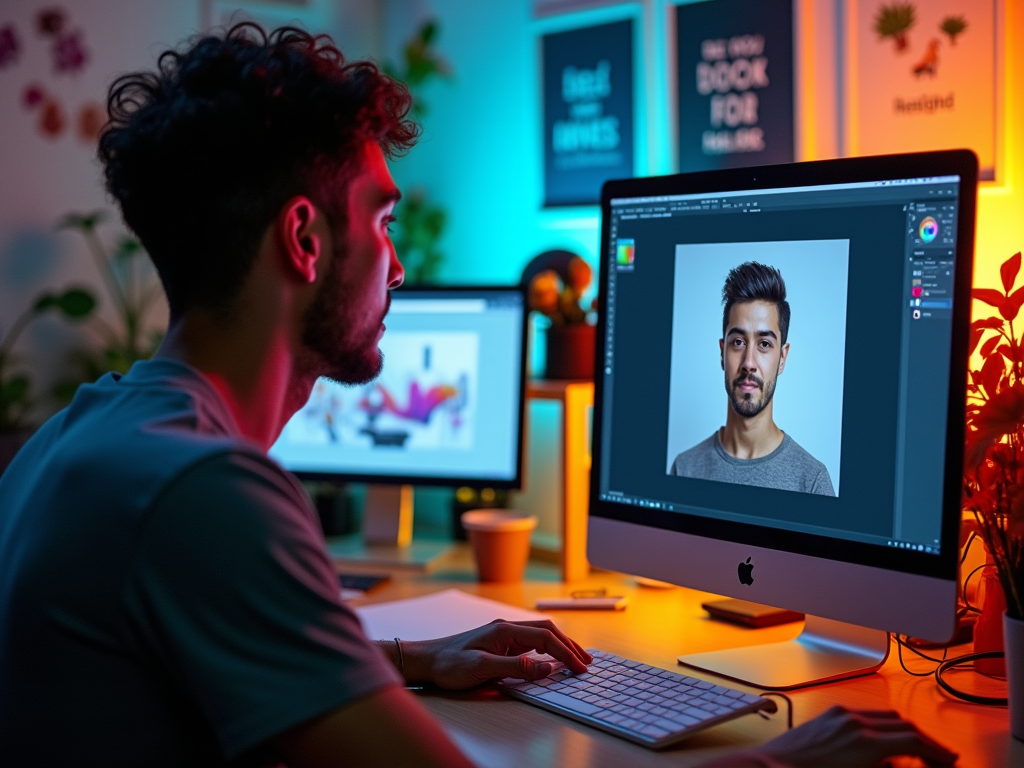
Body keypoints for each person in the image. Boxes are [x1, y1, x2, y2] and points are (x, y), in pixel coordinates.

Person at [0, 25, 954, 768]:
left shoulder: (86, 432)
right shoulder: (204, 493)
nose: (400, 265)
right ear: (303, 239)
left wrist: (413, 659)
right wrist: (779, 762)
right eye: (382, 219)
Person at [671, 262, 836, 497]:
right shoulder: (685, 469)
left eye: (765, 344)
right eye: (738, 342)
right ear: (722, 352)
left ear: (782, 358)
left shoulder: (811, 483)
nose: (749, 362)